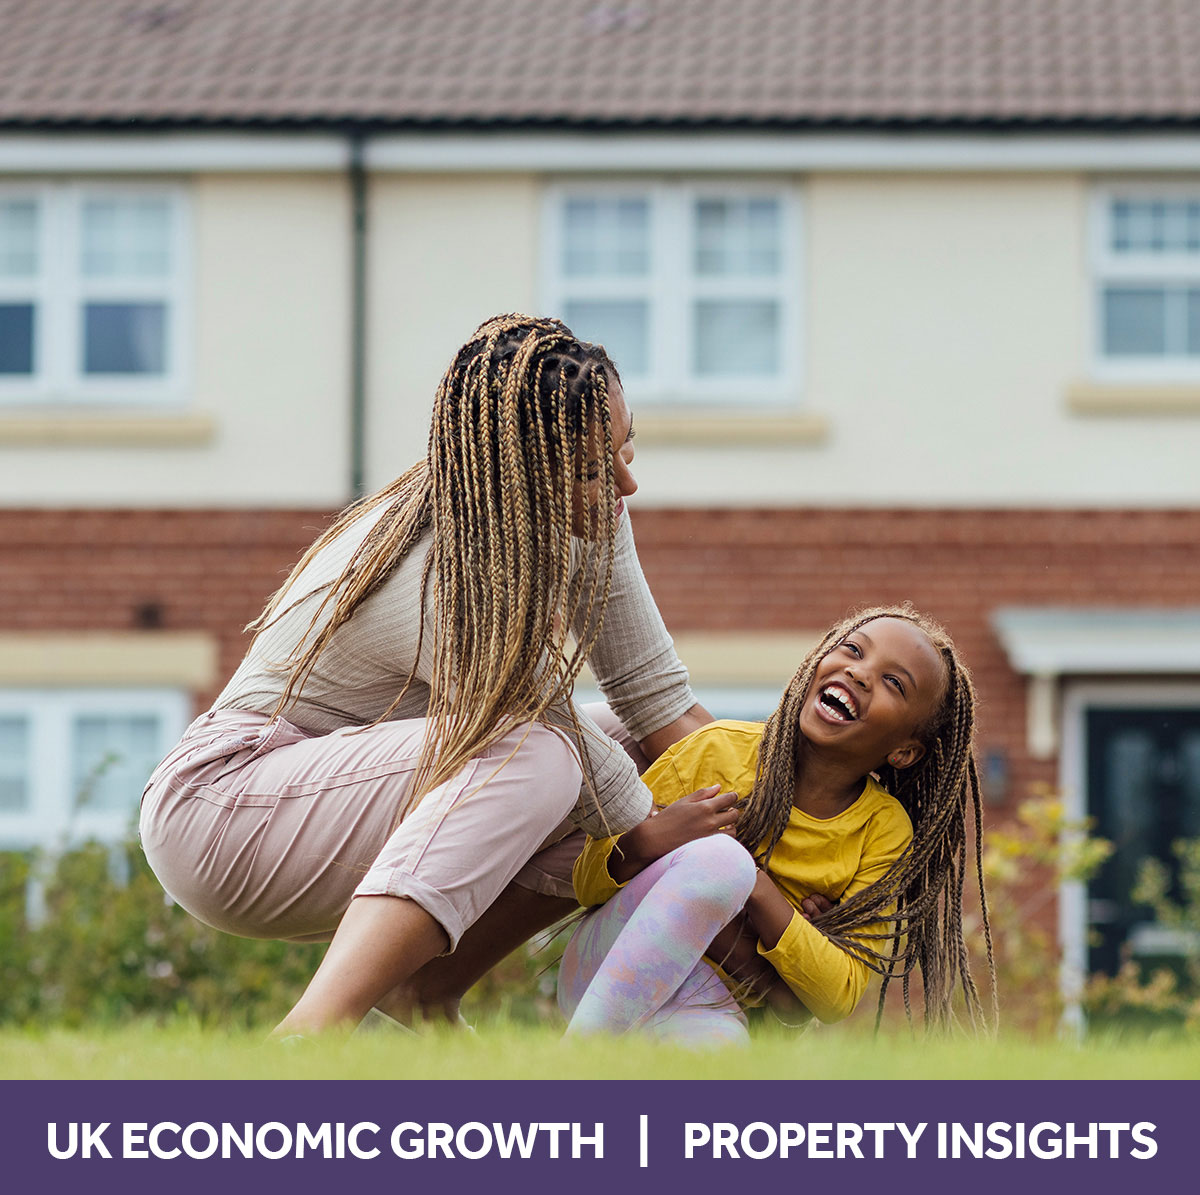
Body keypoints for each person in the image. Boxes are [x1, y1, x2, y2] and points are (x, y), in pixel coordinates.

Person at [140, 313, 713, 1037]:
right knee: (538, 753)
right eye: (598, 468)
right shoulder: (442, 566)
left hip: (346, 790)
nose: (627, 484)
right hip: (225, 816)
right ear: (522, 474)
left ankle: (427, 991)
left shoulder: (583, 511)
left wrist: (792, 808)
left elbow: (664, 710)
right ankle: (311, 1036)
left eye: (627, 448)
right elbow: (559, 736)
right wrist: (646, 838)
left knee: (627, 743)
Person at [558, 606, 997, 1045]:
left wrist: (757, 889)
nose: (861, 673)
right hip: (604, 966)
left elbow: (835, 997)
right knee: (722, 859)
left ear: (904, 751)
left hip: (711, 1009)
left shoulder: (883, 831)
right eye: (852, 650)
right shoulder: (718, 750)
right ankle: (573, 1066)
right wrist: (651, 839)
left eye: (894, 682)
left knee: (724, 1055)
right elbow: (587, 886)